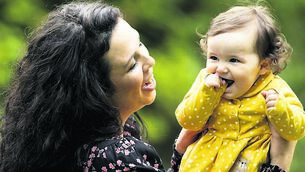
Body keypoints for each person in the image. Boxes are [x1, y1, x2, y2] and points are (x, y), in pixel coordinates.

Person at [0, 1, 197, 172]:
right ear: (96, 91)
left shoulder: (70, 144)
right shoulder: (118, 159)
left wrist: (180, 153)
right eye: (132, 65)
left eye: (139, 44)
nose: (150, 61)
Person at [175, 2, 305, 172]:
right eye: (214, 57)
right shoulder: (206, 81)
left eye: (234, 60)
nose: (220, 68)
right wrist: (206, 94)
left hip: (247, 163)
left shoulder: (275, 89)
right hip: (201, 164)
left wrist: (281, 111)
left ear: (263, 66)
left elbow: (298, 130)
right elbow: (187, 120)